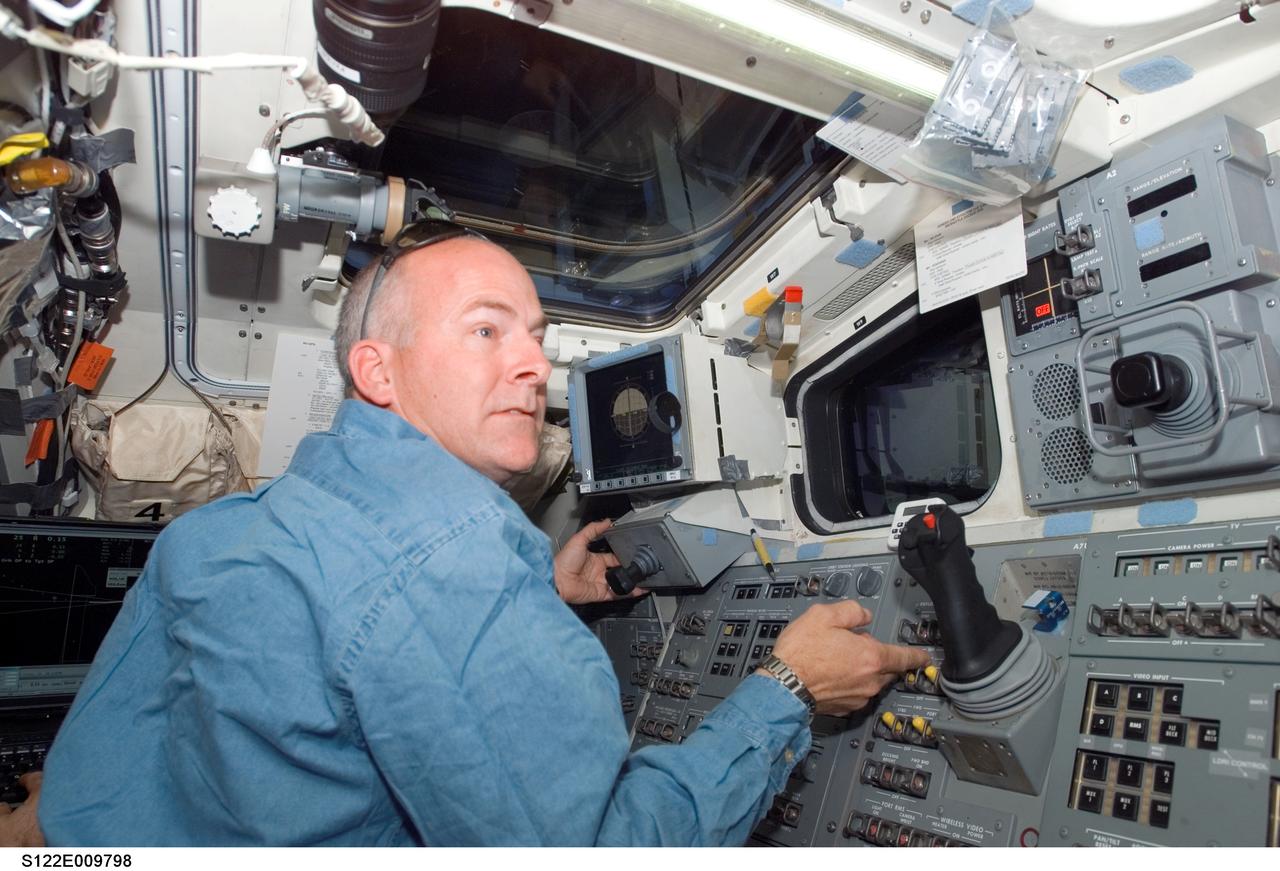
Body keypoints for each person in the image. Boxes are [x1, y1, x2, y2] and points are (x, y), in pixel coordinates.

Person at [26, 222, 929, 846]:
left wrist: (541, 592)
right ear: (376, 369)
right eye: (486, 330)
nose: (534, 363)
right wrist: (787, 686)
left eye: (535, 334)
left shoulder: (222, 531)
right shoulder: (459, 569)